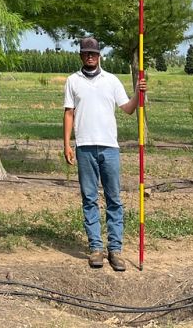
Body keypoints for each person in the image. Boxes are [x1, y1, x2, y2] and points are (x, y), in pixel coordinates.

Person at [63, 36, 147, 272]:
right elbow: (69, 113)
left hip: (109, 148)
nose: (90, 56)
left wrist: (138, 95)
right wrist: (67, 144)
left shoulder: (111, 81)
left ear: (99, 56)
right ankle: (96, 248)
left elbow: (128, 110)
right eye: (86, 53)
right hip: (84, 147)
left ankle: (115, 250)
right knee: (89, 198)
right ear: (81, 55)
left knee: (114, 199)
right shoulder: (72, 81)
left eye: (94, 53)